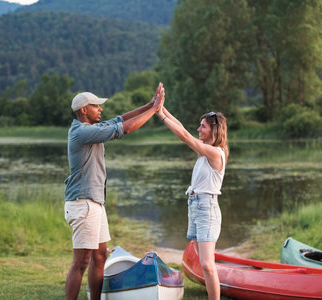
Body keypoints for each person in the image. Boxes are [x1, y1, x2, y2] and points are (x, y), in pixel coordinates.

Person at [64, 83, 164, 300]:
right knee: (81, 262)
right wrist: (154, 111)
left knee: (100, 257)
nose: (100, 109)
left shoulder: (92, 128)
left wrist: (148, 105)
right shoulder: (82, 131)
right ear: (84, 110)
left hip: (95, 203)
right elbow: (125, 129)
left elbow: (120, 119)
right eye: (96, 106)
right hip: (83, 203)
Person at [156, 106, 229, 300]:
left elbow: (185, 136)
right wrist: (161, 110)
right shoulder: (204, 152)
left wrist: (161, 115)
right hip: (195, 206)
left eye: (202, 126)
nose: (199, 129)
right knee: (204, 262)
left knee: (206, 263)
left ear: (214, 130)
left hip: (207, 209)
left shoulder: (216, 153)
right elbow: (183, 128)